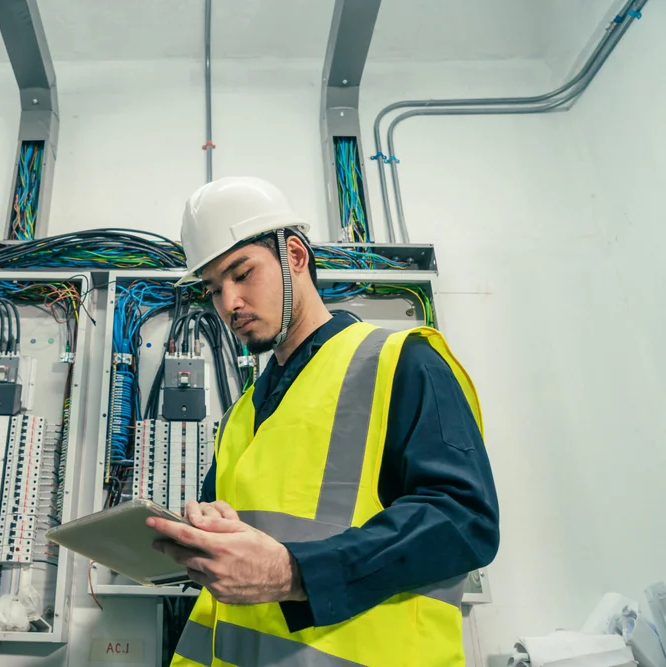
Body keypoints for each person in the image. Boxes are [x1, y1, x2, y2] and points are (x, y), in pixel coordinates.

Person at [147, 177, 500, 666]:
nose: (228, 303)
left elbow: (464, 522)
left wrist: (294, 572)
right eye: (213, 289)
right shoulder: (240, 415)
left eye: (242, 273)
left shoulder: (400, 361)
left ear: (294, 255)